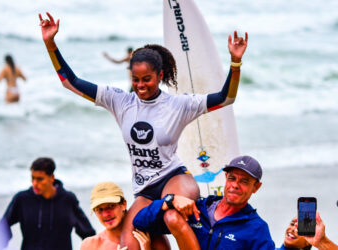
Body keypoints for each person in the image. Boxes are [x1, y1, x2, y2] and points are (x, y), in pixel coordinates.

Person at [39, 12, 247, 250]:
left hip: (174, 178)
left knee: (173, 217)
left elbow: (226, 98)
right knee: (130, 245)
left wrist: (235, 63)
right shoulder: (120, 101)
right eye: (135, 79)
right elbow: (69, 82)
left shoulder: (179, 105)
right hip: (144, 190)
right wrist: (50, 44)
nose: (139, 86)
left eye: (146, 79)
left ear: (159, 76)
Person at [134, 155, 275, 249]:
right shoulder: (199, 209)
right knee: (171, 216)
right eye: (232, 178)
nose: (235, 185)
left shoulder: (257, 229)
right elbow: (140, 222)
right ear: (226, 178)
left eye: (244, 181)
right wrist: (170, 200)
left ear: (256, 187)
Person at [0, 157, 95, 250]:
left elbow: (88, 234)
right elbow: (2, 227)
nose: (35, 183)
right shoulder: (22, 199)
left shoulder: (67, 200)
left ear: (52, 178)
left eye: (39, 179)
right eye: (32, 178)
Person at [81, 182, 158, 250]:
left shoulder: (148, 238)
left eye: (111, 206)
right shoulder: (90, 245)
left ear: (123, 204)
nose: (106, 214)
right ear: (95, 212)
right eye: (100, 209)